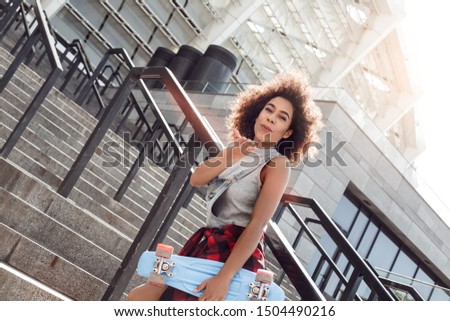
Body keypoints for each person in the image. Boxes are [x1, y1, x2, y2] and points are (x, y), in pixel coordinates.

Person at [127, 70, 323, 301]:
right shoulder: (237, 150)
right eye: (268, 110)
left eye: (281, 117)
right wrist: (234, 153)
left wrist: (225, 277)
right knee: (142, 298)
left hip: (234, 253)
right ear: (258, 112)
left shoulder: (277, 165)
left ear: (288, 132)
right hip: (208, 240)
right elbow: (197, 178)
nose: (271, 118)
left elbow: (258, 225)